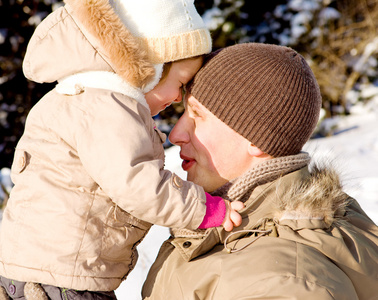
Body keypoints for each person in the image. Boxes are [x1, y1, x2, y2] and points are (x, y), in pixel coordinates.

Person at [0, 0, 244, 299]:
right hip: (64, 281)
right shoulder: (106, 107)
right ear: (150, 67)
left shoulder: (79, 96)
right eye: (180, 83)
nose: (178, 97)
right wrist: (206, 209)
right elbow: (138, 184)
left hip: (39, 273)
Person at [142, 43, 378, 299]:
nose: (175, 135)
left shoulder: (283, 282)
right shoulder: (229, 232)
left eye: (197, 115)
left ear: (256, 140)